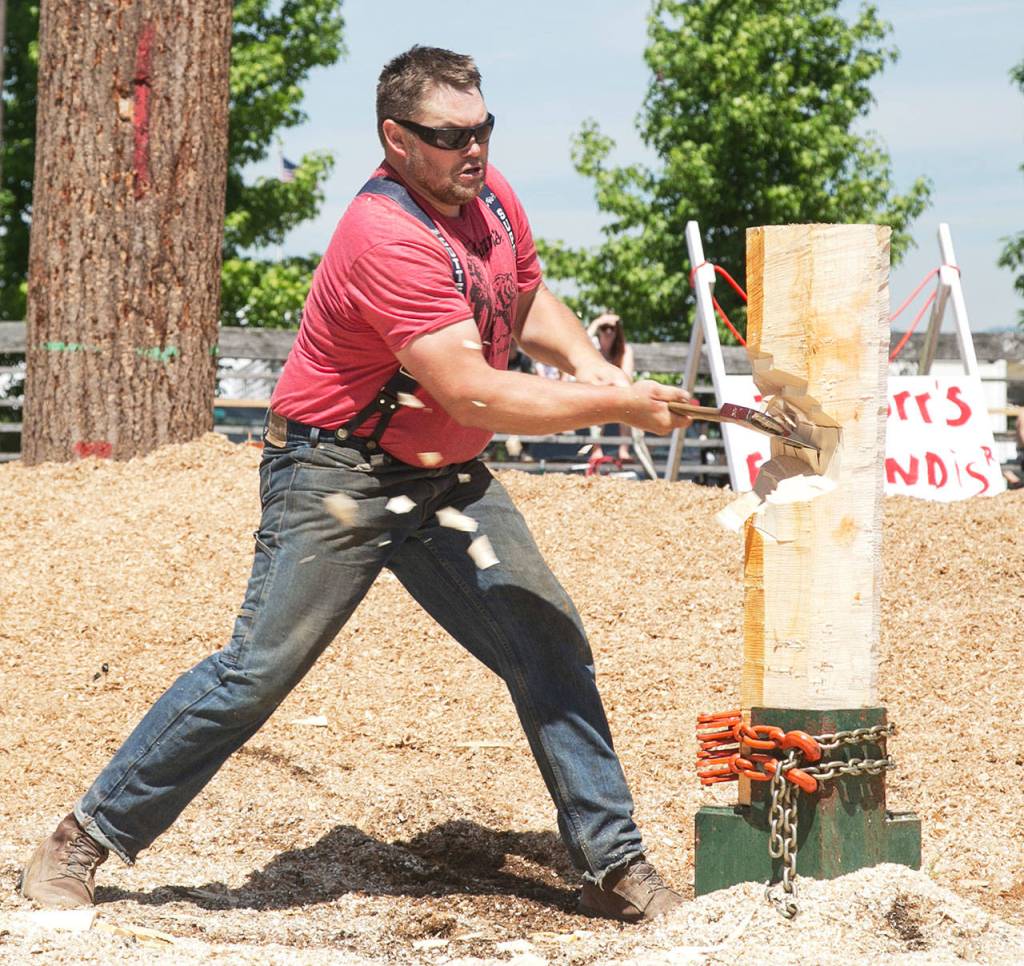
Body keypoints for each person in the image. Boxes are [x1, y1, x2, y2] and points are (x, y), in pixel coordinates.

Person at [19, 45, 692, 923]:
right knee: (256, 671)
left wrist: (595, 369)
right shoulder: (385, 234)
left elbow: (524, 300)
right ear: (396, 139)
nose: (475, 149)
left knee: (547, 642)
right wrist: (615, 404)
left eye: (483, 128)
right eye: (451, 136)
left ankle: (612, 863)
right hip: (336, 477)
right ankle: (81, 840)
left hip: (445, 478)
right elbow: (471, 387)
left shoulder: (486, 197)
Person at [586, 313, 636, 468]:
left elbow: (626, 378)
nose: (608, 332)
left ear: (617, 332)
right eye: (604, 328)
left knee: (626, 398)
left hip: (618, 393)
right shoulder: (592, 347)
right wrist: (596, 322)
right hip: (597, 393)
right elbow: (580, 342)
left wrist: (610, 384)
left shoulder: (625, 350)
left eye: (612, 328)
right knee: (597, 400)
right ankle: (596, 449)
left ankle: (624, 449)